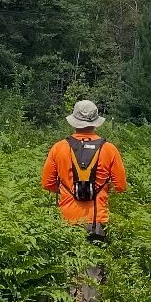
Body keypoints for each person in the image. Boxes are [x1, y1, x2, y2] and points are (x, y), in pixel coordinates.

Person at [42, 99, 127, 242]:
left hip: (67, 219)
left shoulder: (59, 148)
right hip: (97, 220)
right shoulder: (109, 149)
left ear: (74, 121)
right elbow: (121, 186)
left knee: (68, 263)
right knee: (96, 263)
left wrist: (69, 189)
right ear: (95, 122)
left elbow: (47, 183)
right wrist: (100, 188)